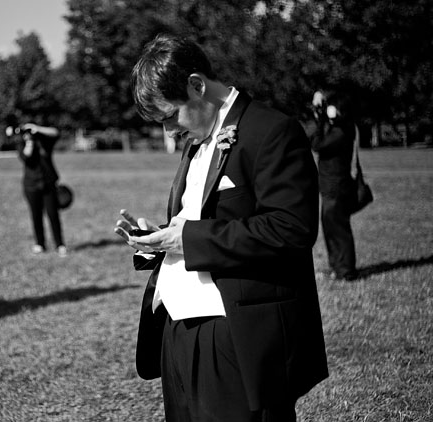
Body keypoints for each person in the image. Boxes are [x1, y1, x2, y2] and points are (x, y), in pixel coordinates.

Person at [114, 34, 328, 421]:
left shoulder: (272, 131)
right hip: (176, 332)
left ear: (197, 85)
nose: (168, 132)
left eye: (169, 116)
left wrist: (187, 238)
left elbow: (291, 228)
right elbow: (205, 220)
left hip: (235, 335)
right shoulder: (196, 138)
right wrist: (160, 237)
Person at [309, 90, 359, 281]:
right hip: (331, 186)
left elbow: (317, 144)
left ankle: (346, 270)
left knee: (338, 228)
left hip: (336, 187)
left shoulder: (341, 131)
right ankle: (338, 267)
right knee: (331, 227)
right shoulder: (340, 127)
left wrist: (320, 120)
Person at [12, 121, 67, 257]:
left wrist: (37, 129)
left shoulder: (44, 142)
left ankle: (60, 244)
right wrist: (29, 142)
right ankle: (40, 244)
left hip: (48, 183)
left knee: (53, 215)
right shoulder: (21, 144)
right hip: (31, 185)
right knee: (36, 215)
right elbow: (26, 156)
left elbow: (56, 132)